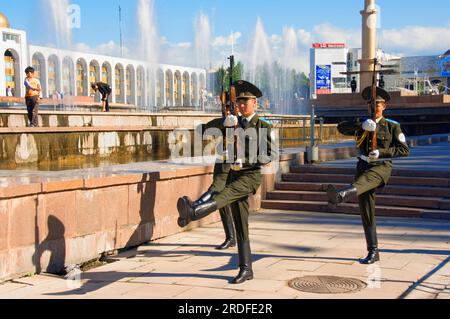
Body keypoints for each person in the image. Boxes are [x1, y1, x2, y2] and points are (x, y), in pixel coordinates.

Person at [177, 80, 275, 284]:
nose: (240, 106)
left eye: (245, 102)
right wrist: (223, 122)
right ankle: (246, 269)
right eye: (239, 102)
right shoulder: (233, 123)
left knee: (223, 195)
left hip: (250, 175)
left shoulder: (263, 126)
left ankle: (193, 212)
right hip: (234, 174)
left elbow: (269, 155)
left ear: (254, 103)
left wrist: (246, 160)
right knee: (241, 224)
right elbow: (202, 131)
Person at [326, 87, 410, 264]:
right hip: (363, 165)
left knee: (365, 181)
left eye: (377, 104)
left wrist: (381, 152)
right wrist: (360, 125)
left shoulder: (392, 126)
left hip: (381, 167)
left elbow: (404, 150)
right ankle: (373, 251)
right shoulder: (363, 124)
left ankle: (342, 194)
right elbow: (341, 128)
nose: (374, 107)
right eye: (371, 104)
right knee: (366, 210)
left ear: (384, 106)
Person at [180, 102, 238, 250]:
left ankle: (193, 209)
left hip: (235, 165)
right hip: (222, 163)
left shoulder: (242, 122)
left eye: (230, 110)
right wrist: (222, 122)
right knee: (221, 200)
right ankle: (231, 237)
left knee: (216, 192)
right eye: (224, 110)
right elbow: (201, 130)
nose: (227, 113)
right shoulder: (222, 122)